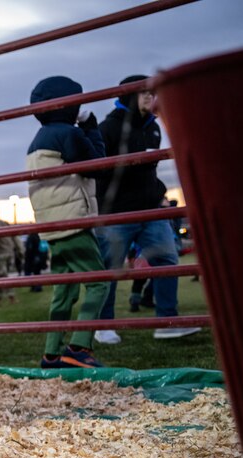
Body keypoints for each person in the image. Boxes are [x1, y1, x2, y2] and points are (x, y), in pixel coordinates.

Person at [94, 75, 200, 341]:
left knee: (167, 261)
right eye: (144, 94)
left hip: (151, 209)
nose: (151, 98)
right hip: (118, 211)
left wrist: (159, 194)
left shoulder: (153, 127)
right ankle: (103, 325)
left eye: (152, 93)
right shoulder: (108, 128)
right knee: (110, 268)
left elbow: (148, 170)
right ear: (129, 96)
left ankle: (167, 321)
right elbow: (99, 172)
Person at [26, 76, 109, 369]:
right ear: (69, 106)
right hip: (73, 221)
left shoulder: (36, 141)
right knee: (98, 281)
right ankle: (78, 346)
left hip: (52, 225)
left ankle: (51, 352)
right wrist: (90, 125)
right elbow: (97, 163)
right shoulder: (67, 134)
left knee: (64, 288)